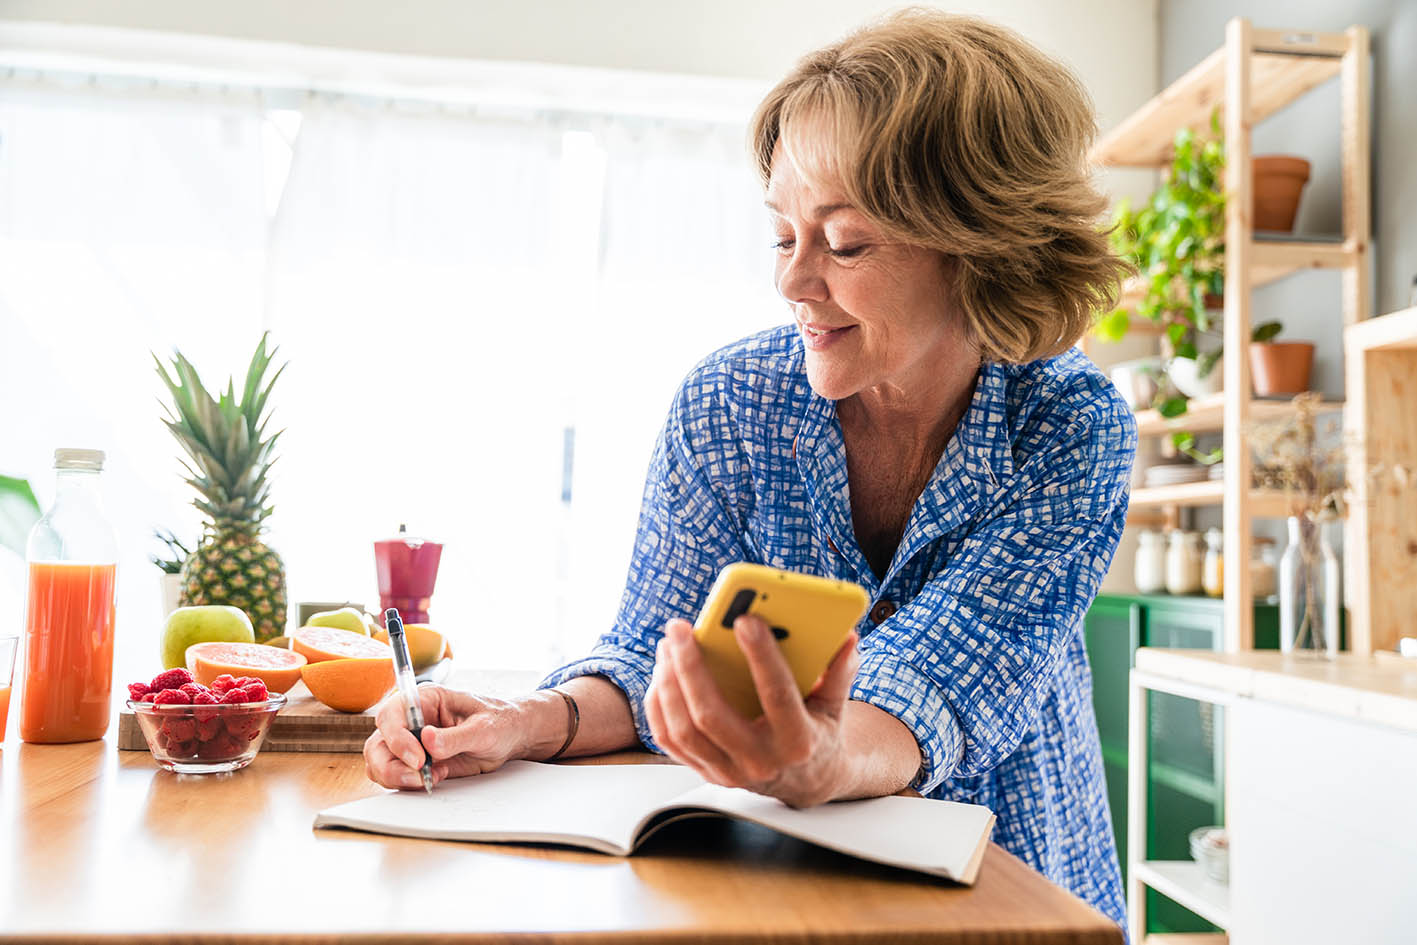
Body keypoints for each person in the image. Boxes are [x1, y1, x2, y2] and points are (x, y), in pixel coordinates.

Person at [364, 9, 1135, 928]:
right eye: (782, 235)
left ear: (980, 246)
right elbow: (654, 654)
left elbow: (944, 678)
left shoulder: (1069, 426)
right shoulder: (729, 404)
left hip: (1012, 892)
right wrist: (525, 721)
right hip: (778, 885)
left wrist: (822, 759)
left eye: (844, 243)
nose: (793, 280)